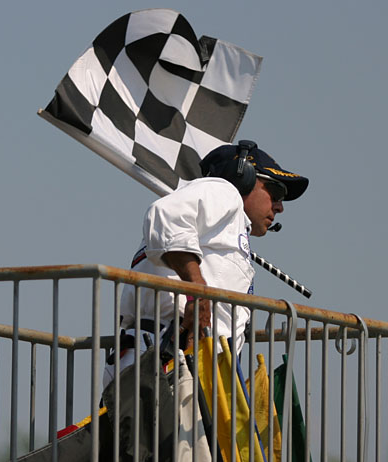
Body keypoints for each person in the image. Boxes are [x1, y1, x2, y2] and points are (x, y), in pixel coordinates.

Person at [105, 139, 309, 384]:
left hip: (181, 360)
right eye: (276, 192)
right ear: (242, 177)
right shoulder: (224, 191)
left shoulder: (227, 225)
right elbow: (166, 213)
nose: (279, 207)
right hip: (170, 355)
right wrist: (197, 291)